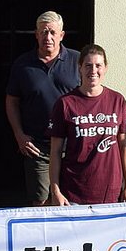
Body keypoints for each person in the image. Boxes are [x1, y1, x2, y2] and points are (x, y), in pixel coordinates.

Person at [5, 11, 81, 206]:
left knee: (74, 200)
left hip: (73, 146)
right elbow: (12, 101)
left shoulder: (78, 61)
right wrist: (19, 134)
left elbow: (90, 96)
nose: (48, 37)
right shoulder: (22, 64)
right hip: (38, 147)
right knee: (41, 203)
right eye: (44, 32)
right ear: (36, 35)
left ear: (61, 35)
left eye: (53, 32)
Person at [48, 45, 126, 205]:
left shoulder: (118, 100)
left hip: (111, 194)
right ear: (80, 68)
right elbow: (55, 152)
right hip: (74, 194)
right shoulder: (65, 103)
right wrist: (55, 191)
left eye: (98, 65)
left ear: (105, 68)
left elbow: (124, 146)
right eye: (88, 65)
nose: (93, 70)